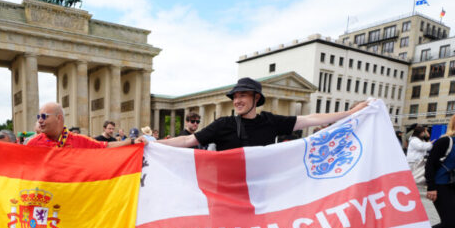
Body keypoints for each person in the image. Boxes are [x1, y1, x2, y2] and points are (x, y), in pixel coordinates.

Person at [158, 77, 369, 150]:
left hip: (262, 193)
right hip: (227, 194)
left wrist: (350, 113)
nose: (238, 100)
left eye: (243, 95)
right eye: (235, 96)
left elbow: (309, 119)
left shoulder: (270, 121)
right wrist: (150, 142)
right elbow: (187, 141)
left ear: (256, 98)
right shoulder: (224, 124)